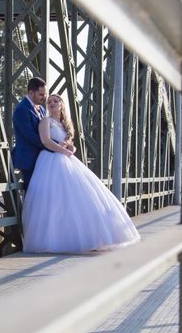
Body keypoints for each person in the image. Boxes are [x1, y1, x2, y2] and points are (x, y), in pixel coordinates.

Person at [22, 93, 140, 253]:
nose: (52, 103)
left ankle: (88, 237)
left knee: (79, 197)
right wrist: (63, 151)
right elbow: (45, 141)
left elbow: (69, 143)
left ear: (62, 105)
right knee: (54, 200)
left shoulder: (65, 125)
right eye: (49, 102)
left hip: (65, 159)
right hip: (50, 161)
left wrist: (72, 148)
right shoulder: (45, 121)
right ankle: (53, 240)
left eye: (56, 101)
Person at [12, 77, 75, 190]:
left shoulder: (41, 109)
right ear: (31, 93)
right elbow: (31, 137)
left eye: (45, 94)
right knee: (34, 192)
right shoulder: (21, 109)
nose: (44, 97)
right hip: (29, 159)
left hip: (42, 159)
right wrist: (57, 144)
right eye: (41, 94)